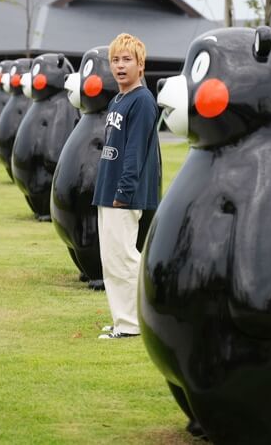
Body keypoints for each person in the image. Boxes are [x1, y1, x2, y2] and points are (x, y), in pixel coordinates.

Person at [92, 33, 161, 340]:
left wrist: (124, 191)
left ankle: (134, 325)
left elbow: (134, 152)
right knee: (111, 259)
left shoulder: (143, 101)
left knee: (124, 258)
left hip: (125, 195)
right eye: (116, 60)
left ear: (140, 65)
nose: (120, 66)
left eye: (127, 60)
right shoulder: (117, 100)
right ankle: (122, 319)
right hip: (107, 190)